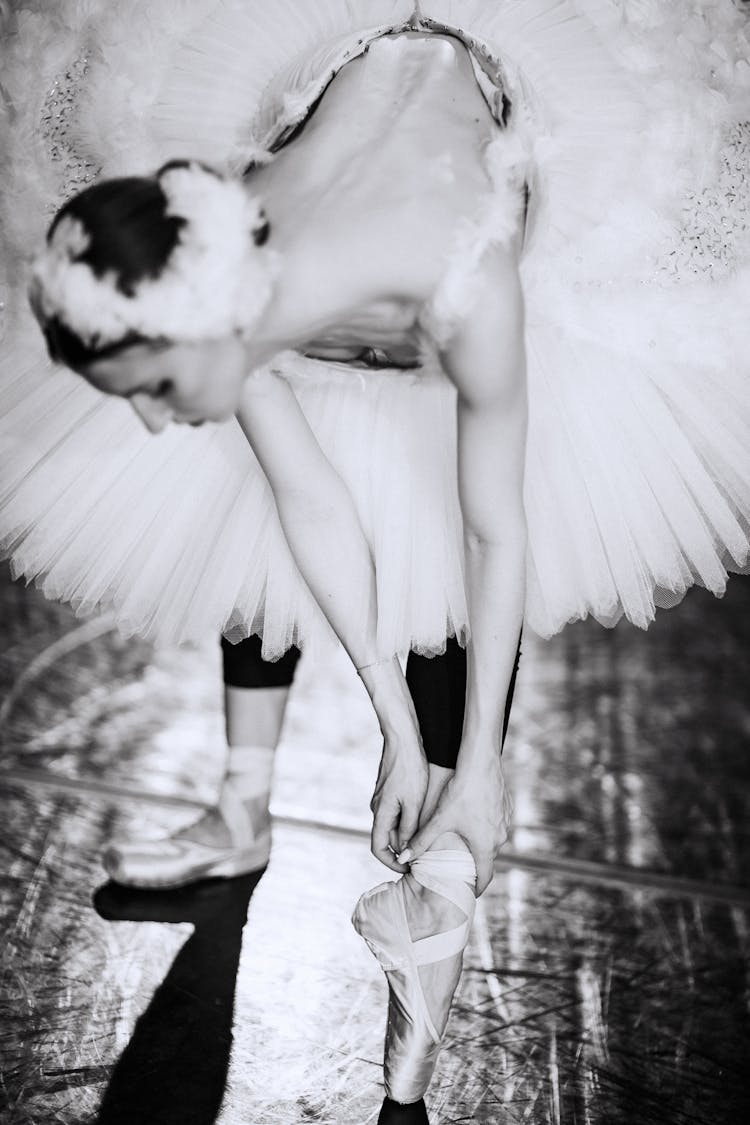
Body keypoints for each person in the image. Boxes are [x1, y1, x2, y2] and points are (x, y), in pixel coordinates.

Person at [3, 0, 750, 1117]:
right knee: (246, 514)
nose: (153, 421)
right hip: (346, 119)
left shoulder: (466, 277)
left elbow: (498, 533)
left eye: (153, 389)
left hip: (460, 186)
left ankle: (444, 887)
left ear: (200, 334)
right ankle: (261, 807)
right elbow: (307, 497)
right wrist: (389, 727)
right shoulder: (226, 249)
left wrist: (479, 774)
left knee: (436, 559)